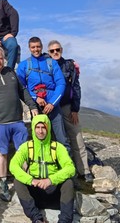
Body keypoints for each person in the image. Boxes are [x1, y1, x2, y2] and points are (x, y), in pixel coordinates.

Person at [0, 46, 39, 201]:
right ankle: (3, 185)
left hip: (17, 121)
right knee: (2, 153)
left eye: (0, 58)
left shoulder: (11, 72)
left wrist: (32, 106)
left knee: (23, 152)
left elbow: (23, 91)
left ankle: (26, 182)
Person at [9, 114, 76, 223]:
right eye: (37, 127)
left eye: (43, 127)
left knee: (68, 183)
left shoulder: (58, 147)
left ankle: (65, 220)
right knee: (18, 181)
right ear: (34, 129)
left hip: (54, 193)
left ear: (48, 128)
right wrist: (30, 180)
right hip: (35, 192)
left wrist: (51, 180)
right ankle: (37, 219)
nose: (40, 131)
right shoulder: (26, 147)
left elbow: (70, 168)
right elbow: (13, 166)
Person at [47, 40, 93, 183]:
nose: (55, 52)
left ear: (61, 50)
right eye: (52, 51)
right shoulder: (44, 64)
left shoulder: (69, 65)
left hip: (67, 106)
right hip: (51, 108)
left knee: (76, 137)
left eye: (57, 50)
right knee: (54, 141)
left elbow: (76, 87)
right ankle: (59, 171)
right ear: (48, 52)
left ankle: (84, 171)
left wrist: (75, 109)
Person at [16, 37, 70, 153]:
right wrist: (35, 98)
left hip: (53, 106)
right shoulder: (24, 65)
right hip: (36, 107)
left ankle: (67, 169)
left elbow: (61, 83)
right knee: (39, 139)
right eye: (33, 47)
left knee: (61, 139)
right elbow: (21, 87)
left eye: (38, 47)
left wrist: (52, 103)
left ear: (41, 47)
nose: (36, 49)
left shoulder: (51, 63)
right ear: (29, 48)